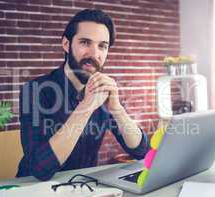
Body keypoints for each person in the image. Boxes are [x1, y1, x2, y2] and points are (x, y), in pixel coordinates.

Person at [16, 9, 150, 181]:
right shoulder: (34, 90)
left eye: (102, 46)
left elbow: (141, 151)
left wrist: (117, 109)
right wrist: (86, 106)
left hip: (83, 187)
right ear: (66, 44)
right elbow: (40, 168)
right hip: (33, 190)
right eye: (85, 42)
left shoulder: (103, 91)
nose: (94, 54)